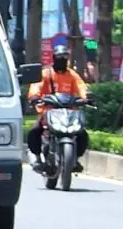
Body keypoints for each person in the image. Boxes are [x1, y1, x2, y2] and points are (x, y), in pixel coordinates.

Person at [26, 44, 89, 172]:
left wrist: (86, 97)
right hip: (48, 112)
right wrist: (34, 97)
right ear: (54, 58)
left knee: (82, 134)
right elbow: (36, 87)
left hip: (69, 112)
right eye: (60, 57)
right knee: (34, 132)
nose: (62, 60)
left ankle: (75, 159)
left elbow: (81, 87)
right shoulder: (45, 74)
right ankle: (37, 158)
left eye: (65, 57)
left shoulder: (72, 75)